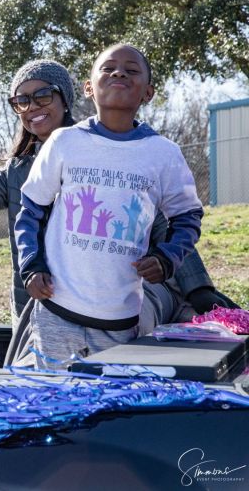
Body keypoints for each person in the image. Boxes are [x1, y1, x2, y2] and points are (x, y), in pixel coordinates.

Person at [0, 61, 236, 366]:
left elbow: (162, 221)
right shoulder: (16, 173)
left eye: (43, 95)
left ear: (66, 99)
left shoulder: (111, 153)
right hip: (47, 302)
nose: (32, 105)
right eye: (21, 100)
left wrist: (199, 288)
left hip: (115, 299)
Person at [14, 44, 204, 369]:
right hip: (56, 314)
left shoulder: (163, 154)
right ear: (89, 88)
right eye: (108, 68)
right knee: (54, 406)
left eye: (131, 71)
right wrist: (31, 265)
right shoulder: (64, 142)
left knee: (109, 412)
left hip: (121, 322)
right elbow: (30, 211)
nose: (118, 73)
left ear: (148, 92)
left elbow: (188, 218)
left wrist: (166, 259)